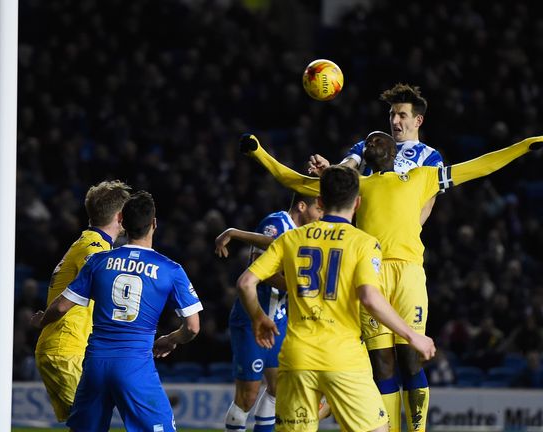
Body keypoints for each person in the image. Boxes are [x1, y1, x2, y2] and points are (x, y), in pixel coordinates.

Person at [240, 131, 543, 431]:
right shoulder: (358, 186)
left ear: (397, 153)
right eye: (369, 141)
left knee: (410, 361)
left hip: (407, 272)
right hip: (370, 269)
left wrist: (522, 146)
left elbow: (478, 166)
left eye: (380, 139)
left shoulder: (421, 177)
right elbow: (296, 182)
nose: (373, 142)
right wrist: (259, 153)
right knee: (383, 363)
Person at [236, 165, 436, 432]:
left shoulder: (291, 239)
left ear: (319, 201)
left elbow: (246, 282)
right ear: (358, 203)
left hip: (298, 356)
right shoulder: (364, 243)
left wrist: (258, 316)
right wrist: (413, 336)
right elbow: (369, 297)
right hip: (344, 359)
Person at [31, 191, 203, 431]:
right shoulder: (171, 269)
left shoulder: (98, 261)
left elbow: (60, 306)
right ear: (154, 223)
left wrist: (42, 320)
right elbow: (193, 328)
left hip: (95, 367)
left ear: (122, 220)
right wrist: (171, 339)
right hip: (134, 366)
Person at [215, 194, 322, 432]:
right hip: (252, 318)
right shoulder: (275, 223)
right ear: (302, 206)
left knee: (278, 390)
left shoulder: (306, 233)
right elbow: (259, 271)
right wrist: (298, 288)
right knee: (247, 397)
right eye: (318, 209)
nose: (320, 215)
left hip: (280, 320)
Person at [33, 180, 132, 422]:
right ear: (120, 216)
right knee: (92, 424)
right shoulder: (95, 247)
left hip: (66, 348)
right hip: (65, 350)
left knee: (85, 425)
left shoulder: (86, 241)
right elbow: (101, 276)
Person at [309, 83, 444, 228]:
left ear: (418, 120)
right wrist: (328, 170)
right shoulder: (368, 145)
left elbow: (428, 204)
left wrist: (407, 232)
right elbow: (345, 169)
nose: (394, 121)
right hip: (361, 231)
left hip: (397, 234)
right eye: (392, 114)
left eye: (402, 115)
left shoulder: (430, 156)